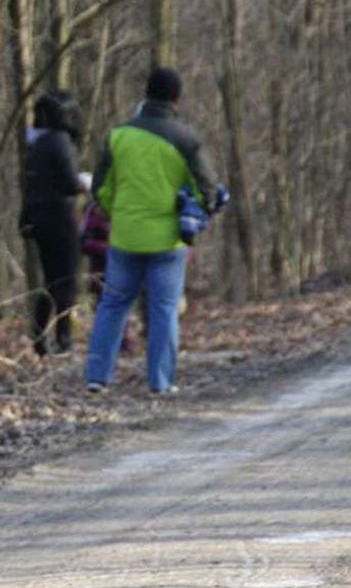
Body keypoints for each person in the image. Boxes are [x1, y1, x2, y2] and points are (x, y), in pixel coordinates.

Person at [84, 67, 222, 394]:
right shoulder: (186, 139)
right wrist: (195, 211)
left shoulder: (118, 136)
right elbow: (207, 189)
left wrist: (118, 211)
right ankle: (160, 382)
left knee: (112, 305)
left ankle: (97, 377)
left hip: (125, 236)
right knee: (163, 310)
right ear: (177, 98)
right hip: (168, 240)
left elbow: (100, 187)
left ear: (145, 94)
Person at [20, 90, 88, 356]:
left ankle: (39, 338)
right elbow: (69, 182)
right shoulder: (59, 141)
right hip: (59, 218)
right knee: (66, 280)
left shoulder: (37, 143)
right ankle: (63, 339)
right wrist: (85, 183)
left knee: (50, 280)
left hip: (40, 220)